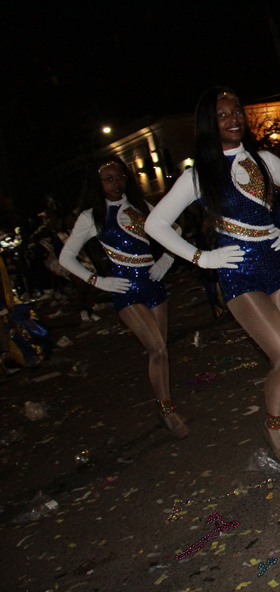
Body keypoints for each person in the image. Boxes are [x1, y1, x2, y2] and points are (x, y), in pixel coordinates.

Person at [145, 87, 280, 467]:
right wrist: (202, 258)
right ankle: (273, 428)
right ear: (210, 123)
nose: (233, 119)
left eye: (237, 111)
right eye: (223, 115)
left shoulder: (265, 160)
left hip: (275, 264)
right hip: (237, 272)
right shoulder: (199, 175)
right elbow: (155, 223)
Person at [59, 156, 188, 437]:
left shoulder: (141, 206)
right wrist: (98, 281)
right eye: (108, 179)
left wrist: (166, 259)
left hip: (152, 283)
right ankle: (168, 412)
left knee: (161, 351)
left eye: (120, 178)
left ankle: (166, 405)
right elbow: (66, 257)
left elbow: (175, 229)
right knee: (157, 348)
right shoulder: (91, 217)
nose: (116, 184)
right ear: (98, 183)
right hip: (124, 288)